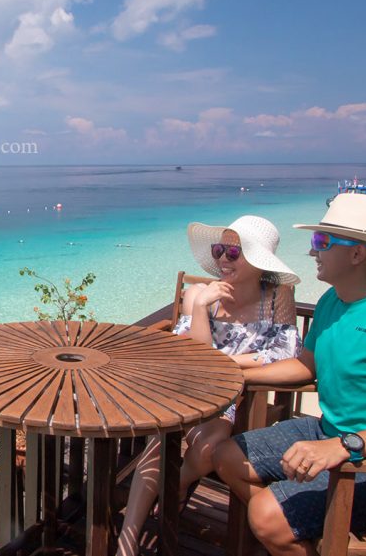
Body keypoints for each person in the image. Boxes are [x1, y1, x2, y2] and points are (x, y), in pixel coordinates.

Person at [213, 193, 366, 556]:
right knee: (226, 455)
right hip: (331, 430)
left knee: (265, 515)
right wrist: (238, 374)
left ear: (357, 254)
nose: (312, 252)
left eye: (322, 242)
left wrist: (340, 447)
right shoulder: (333, 301)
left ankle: (280, 526)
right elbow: (307, 366)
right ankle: (297, 534)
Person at [117, 215, 301, 556]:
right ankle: (127, 542)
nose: (222, 259)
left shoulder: (278, 296)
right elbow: (196, 357)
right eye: (220, 250)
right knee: (160, 440)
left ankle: (178, 485)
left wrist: (225, 364)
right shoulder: (199, 293)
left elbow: (284, 354)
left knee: (207, 446)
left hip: (239, 396)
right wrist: (201, 307)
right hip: (189, 387)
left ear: (259, 261)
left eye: (234, 252)